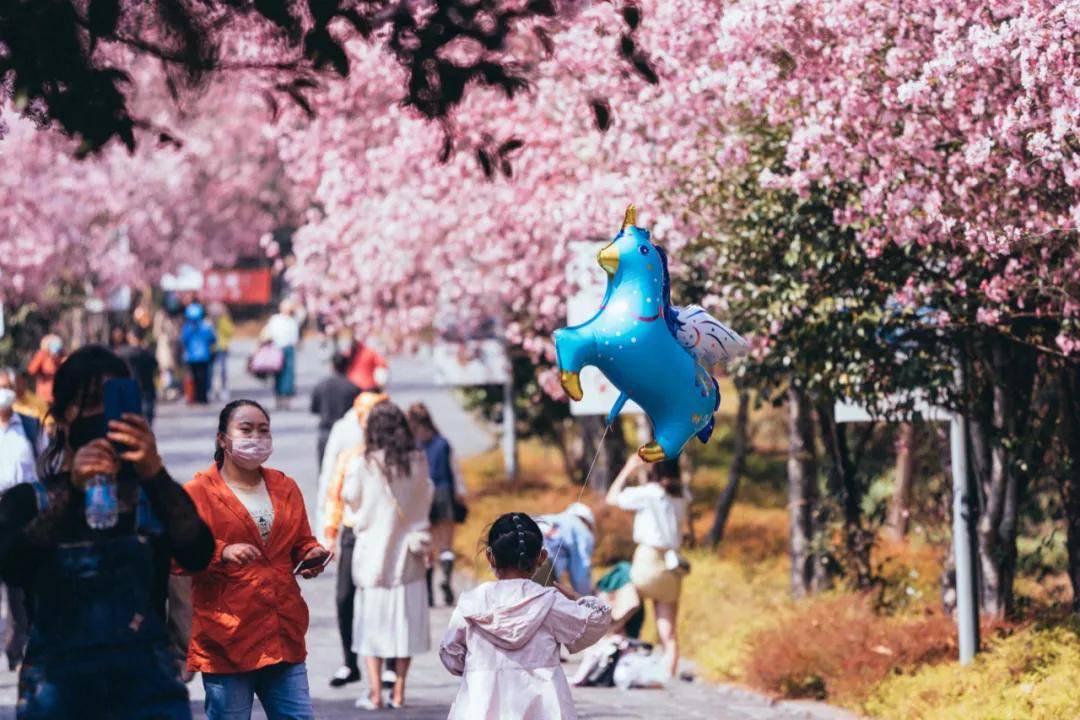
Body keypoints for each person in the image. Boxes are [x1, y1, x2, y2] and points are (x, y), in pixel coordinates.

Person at [0, 345, 214, 719]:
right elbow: (13, 566)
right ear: (64, 415)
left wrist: (155, 472)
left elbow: (197, 550)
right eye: (91, 401)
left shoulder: (152, 495)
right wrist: (72, 495)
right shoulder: (28, 500)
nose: (102, 414)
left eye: (114, 401)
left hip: (146, 687)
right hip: (57, 688)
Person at [182, 400, 330, 720]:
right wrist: (220, 552)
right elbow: (175, 555)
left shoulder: (285, 486)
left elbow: (301, 539)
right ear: (223, 438)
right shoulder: (198, 493)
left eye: (264, 430)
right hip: (227, 640)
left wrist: (311, 553)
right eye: (246, 429)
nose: (256, 437)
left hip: (283, 633)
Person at [439, 512, 612, 719]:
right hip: (543, 707)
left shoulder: (473, 602)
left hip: (481, 704)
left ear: (489, 556)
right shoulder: (550, 602)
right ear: (542, 557)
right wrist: (578, 599)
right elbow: (596, 621)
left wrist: (477, 669)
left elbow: (450, 653)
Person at [342, 402, 433, 710]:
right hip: (408, 556)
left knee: (371, 625)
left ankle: (376, 692)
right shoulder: (418, 460)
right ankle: (399, 691)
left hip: (373, 557)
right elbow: (427, 496)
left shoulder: (364, 463)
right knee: (404, 625)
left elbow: (350, 498)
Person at [316, 391, 387, 688]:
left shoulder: (396, 452)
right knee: (345, 597)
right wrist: (327, 534)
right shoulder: (349, 452)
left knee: (385, 598)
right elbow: (333, 494)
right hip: (352, 533)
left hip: (385, 533)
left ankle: (390, 665)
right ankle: (350, 661)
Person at [606, 454, 691, 678]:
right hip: (671, 566)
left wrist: (628, 468)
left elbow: (612, 498)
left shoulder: (648, 493)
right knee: (669, 633)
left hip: (647, 561)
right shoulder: (682, 495)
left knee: (617, 591)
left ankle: (617, 649)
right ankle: (668, 678)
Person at [0, 367, 42, 671]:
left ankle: (18, 645)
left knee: (20, 583)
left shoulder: (29, 425)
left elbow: (43, 466)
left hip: (23, 510)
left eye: (7, 387)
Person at [406, 402, 466, 607]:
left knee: (428, 546)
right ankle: (446, 581)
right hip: (444, 494)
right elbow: (455, 472)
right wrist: (460, 495)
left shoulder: (411, 445)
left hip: (423, 496)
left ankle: (429, 592)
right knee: (445, 545)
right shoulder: (443, 443)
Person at [311, 352, 361, 469]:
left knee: (325, 471)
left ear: (332, 366)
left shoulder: (321, 385)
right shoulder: (354, 388)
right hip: (348, 433)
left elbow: (314, 408)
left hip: (326, 431)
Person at [535, 502, 597, 596]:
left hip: (512, 557)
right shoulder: (581, 528)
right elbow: (581, 572)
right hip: (541, 562)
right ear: (587, 521)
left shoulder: (549, 518)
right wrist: (587, 601)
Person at [115, 326, 160, 426]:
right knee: (147, 419)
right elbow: (155, 367)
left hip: (128, 389)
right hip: (146, 388)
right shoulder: (147, 353)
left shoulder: (121, 353)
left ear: (130, 337)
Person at [262, 300, 301, 410]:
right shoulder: (275, 319)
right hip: (277, 348)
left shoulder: (293, 320)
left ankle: (287, 398)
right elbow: (268, 333)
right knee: (278, 374)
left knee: (288, 375)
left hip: (289, 349)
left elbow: (295, 337)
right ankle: (278, 397)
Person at [180, 303, 216, 405]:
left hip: (191, 357)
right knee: (204, 378)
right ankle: (203, 398)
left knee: (194, 378)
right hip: (204, 356)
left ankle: (194, 397)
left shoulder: (187, 327)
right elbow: (212, 339)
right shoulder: (206, 326)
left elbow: (184, 340)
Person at [27, 334, 65, 405]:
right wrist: (42, 356)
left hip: (59, 395)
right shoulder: (42, 356)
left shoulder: (62, 356)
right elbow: (31, 370)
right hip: (44, 395)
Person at [208, 302, 234, 401]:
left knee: (223, 370)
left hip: (222, 347)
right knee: (211, 370)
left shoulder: (224, 319)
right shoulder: (208, 320)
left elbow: (230, 331)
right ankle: (211, 389)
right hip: (211, 348)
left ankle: (223, 389)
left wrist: (221, 321)